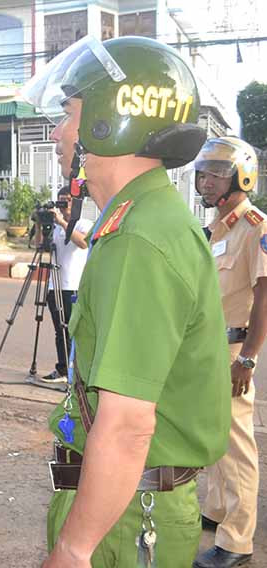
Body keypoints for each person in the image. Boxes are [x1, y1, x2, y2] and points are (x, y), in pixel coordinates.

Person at [21, 36, 231, 567]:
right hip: (124, 503)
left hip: (126, 518)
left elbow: (127, 425)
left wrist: (74, 547)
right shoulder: (138, 221)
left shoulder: (140, 238)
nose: (57, 132)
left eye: (68, 114)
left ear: (108, 121)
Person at [193, 136, 263, 568]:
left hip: (236, 349)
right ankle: (217, 509)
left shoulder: (257, 227)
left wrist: (248, 359)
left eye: (216, 175)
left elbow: (265, 296)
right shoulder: (220, 228)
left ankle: (237, 541)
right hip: (213, 347)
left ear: (242, 176)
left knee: (237, 444)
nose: (205, 182)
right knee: (215, 434)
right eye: (203, 174)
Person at [35, 186, 91, 383]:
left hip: (73, 286)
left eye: (67, 199)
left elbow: (83, 243)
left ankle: (77, 373)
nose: (63, 204)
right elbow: (40, 245)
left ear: (76, 202)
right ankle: (62, 369)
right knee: (60, 331)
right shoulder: (56, 226)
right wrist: (40, 223)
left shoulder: (84, 223)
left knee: (74, 331)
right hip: (54, 286)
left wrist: (61, 221)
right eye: (60, 200)